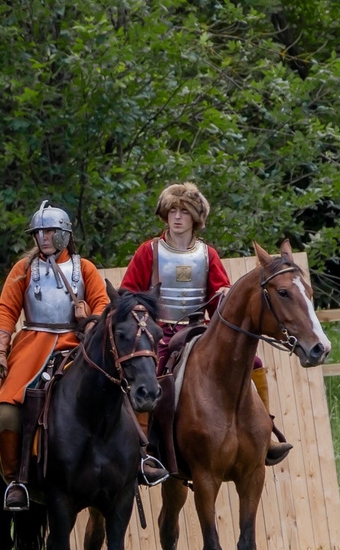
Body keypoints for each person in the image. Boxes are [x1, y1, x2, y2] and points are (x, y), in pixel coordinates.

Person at [121, 181, 290, 470]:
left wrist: (223, 295)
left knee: (255, 363)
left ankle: (265, 432)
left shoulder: (207, 255)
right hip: (160, 332)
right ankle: (145, 447)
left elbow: (219, 302)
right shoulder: (148, 251)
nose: (177, 217)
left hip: (200, 329)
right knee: (154, 371)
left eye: (184, 211)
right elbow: (127, 294)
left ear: (195, 219)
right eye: (172, 210)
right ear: (165, 215)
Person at [0, 202, 109, 512]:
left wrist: (89, 320)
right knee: (7, 412)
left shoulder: (85, 268)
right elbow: (6, 312)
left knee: (115, 390)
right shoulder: (24, 269)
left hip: (75, 343)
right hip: (31, 343)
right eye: (38, 232)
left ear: (65, 234)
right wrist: (0, 351)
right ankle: (15, 480)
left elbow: (103, 307)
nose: (43, 237)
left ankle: (133, 460)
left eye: (50, 231)